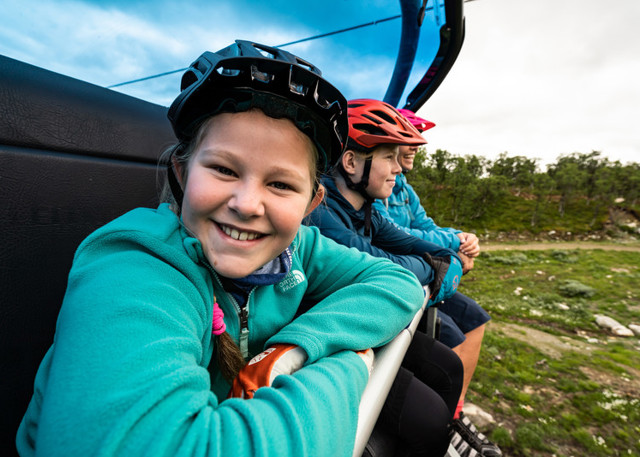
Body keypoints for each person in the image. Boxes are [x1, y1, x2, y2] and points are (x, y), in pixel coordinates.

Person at [16, 41, 430, 457]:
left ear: (311, 204)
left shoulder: (299, 247)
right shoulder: (135, 267)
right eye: (224, 169)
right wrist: (348, 364)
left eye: (281, 184)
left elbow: (397, 282)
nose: (247, 204)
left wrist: (294, 348)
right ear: (182, 172)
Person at [305, 99, 500, 457]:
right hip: (337, 344)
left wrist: (440, 260)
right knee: (426, 418)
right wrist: (437, 267)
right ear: (351, 162)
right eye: (389, 157)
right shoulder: (324, 215)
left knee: (449, 369)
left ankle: (451, 430)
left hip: (368, 329)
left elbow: (422, 246)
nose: (398, 169)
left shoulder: (365, 212)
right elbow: (386, 268)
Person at [373, 109, 501, 457]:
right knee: (451, 349)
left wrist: (456, 241)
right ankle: (445, 419)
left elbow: (422, 229)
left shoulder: (403, 189)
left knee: (476, 320)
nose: (414, 146)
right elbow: (390, 237)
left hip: (427, 277)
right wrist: (452, 257)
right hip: (416, 283)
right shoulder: (365, 198)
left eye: (417, 136)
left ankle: (453, 416)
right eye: (407, 137)